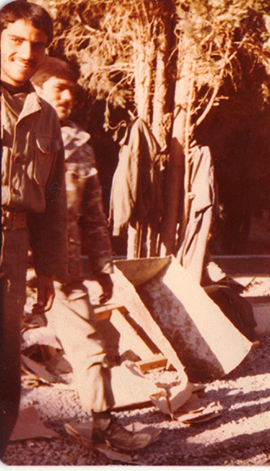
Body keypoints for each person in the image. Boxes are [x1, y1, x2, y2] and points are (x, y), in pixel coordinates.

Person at [30, 56, 154, 451]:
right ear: (35, 90)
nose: (67, 97)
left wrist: (102, 267)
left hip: (62, 267)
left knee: (91, 346)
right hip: (13, 261)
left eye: (71, 90)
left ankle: (103, 425)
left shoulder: (78, 143)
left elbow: (93, 214)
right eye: (58, 89)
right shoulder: (13, 134)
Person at [0, 1, 67, 458]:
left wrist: (46, 268)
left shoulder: (45, 114)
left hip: (14, 248)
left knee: (5, 367)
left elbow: (54, 200)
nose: (27, 54)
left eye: (38, 45)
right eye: (16, 40)